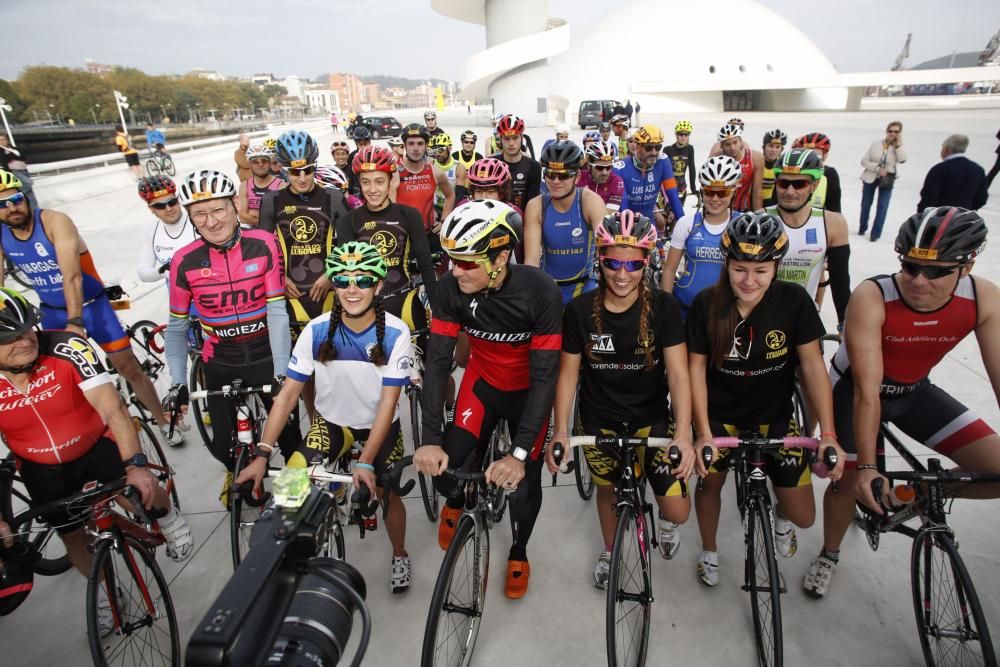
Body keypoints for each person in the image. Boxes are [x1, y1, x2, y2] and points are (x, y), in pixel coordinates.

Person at [804, 207, 1000, 599]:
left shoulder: (983, 297)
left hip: (914, 392)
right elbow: (866, 389)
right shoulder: (874, 295)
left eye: (936, 271)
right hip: (855, 392)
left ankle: (920, 493)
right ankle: (830, 553)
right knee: (846, 480)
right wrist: (868, 468)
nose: (919, 281)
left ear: (967, 265)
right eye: (910, 267)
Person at [0, 289, 193, 631]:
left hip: (93, 445)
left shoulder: (66, 347)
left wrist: (135, 465)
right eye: (11, 337)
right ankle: (108, 590)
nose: (27, 340)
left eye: (28, 328)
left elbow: (112, 407)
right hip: (40, 468)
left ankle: (169, 518)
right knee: (73, 538)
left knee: (140, 492)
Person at [236, 241, 415, 592]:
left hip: (379, 429)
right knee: (288, 487)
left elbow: (387, 405)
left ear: (378, 286)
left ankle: (399, 553)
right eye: (343, 280)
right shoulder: (317, 329)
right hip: (332, 425)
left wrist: (365, 461)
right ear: (332, 284)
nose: (352, 289)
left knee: (387, 495)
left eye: (363, 280)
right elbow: (287, 395)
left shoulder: (397, 333)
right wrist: (261, 454)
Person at [687, 212, 845, 587]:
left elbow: (813, 367)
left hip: (774, 415)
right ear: (727, 264)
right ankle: (709, 551)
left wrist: (829, 434)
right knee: (709, 483)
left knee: (804, 516)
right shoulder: (706, 304)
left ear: (777, 267)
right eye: (740, 268)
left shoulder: (794, 301)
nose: (749, 280)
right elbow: (694, 371)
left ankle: (781, 515)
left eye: (761, 270)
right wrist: (702, 431)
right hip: (720, 416)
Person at [414, 199, 562, 599]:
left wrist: (517, 454)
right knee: (447, 474)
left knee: (525, 484)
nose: (454, 271)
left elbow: (547, 377)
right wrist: (429, 436)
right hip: (481, 384)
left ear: (499, 257)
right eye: (450, 260)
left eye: (466, 262)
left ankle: (518, 550)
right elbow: (439, 363)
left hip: (528, 392)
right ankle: (460, 498)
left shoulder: (540, 291)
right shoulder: (450, 289)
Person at [547, 210, 694, 587]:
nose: (622, 273)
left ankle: (662, 517)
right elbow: (567, 375)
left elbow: (678, 374)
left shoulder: (664, 308)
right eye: (613, 262)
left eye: (633, 263)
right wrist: (560, 431)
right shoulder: (579, 311)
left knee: (678, 512)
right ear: (601, 259)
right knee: (607, 490)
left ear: (647, 262)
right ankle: (610, 549)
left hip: (651, 418)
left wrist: (684, 434)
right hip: (599, 420)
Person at [0, 169, 182, 445]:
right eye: (2, 203)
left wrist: (75, 323)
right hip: (51, 311)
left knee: (128, 367)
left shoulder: (53, 221)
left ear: (25, 197)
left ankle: (162, 419)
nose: (11, 207)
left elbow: (71, 275)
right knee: (64, 379)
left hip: (91, 307)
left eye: (15, 199)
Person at [164, 169, 298, 502]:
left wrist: (282, 371)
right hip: (219, 359)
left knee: (291, 438)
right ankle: (245, 483)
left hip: (265, 351)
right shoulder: (184, 260)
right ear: (191, 218)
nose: (210, 221)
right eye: (199, 214)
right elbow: (177, 327)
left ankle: (295, 505)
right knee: (223, 447)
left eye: (218, 209)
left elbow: (277, 311)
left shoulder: (262, 243)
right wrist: (177, 383)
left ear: (235, 205)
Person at [259, 130, 349, 343]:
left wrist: (331, 274)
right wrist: (280, 277)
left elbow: (350, 244)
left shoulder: (333, 197)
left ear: (314, 166)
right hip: (292, 294)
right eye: (294, 172)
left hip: (329, 292)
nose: (301, 178)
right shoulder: (272, 201)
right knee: (301, 370)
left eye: (307, 171)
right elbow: (263, 250)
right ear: (283, 170)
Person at [337, 145, 438, 324]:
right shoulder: (348, 221)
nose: (372, 189)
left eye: (379, 181)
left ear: (391, 180)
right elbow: (345, 272)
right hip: (365, 309)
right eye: (365, 182)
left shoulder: (409, 215)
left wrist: (438, 309)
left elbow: (425, 265)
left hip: (405, 303)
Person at [766, 149, 851, 329]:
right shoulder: (761, 219)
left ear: (814, 184)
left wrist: (844, 325)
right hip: (763, 317)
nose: (789, 191)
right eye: (783, 183)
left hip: (804, 317)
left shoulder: (834, 224)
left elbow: (840, 281)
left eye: (799, 184)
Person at [523, 141, 607, 304]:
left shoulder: (590, 201)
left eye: (563, 175)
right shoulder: (536, 206)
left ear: (577, 177)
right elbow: (532, 261)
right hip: (548, 287)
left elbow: (607, 250)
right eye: (550, 174)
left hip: (585, 286)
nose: (555, 181)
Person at [662, 156, 742, 318]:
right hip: (685, 308)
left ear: (734, 191)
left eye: (723, 193)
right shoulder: (687, 223)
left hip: (725, 312)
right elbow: (670, 270)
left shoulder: (742, 225)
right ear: (702, 191)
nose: (715, 199)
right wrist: (666, 310)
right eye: (709, 192)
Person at [396, 123, 455, 261]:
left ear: (426, 146)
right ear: (404, 146)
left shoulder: (435, 171)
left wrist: (443, 221)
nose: (416, 148)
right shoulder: (395, 173)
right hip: (403, 239)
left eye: (420, 143)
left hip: (429, 235)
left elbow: (450, 195)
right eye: (411, 143)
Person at [613, 125, 685, 231]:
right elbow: (624, 206)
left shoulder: (663, 161)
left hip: (649, 221)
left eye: (658, 147)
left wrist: (685, 226)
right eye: (648, 148)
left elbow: (673, 194)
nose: (654, 152)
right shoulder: (620, 169)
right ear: (637, 147)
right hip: (626, 223)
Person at [136, 176, 196, 285]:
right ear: (151, 209)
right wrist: (163, 271)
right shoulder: (150, 230)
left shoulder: (197, 222)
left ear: (178, 200)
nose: (169, 208)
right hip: (179, 297)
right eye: (160, 206)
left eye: (172, 202)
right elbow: (143, 273)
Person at [858, 121, 906, 242]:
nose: (892, 134)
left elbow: (903, 160)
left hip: (887, 180)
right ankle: (862, 227)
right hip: (871, 176)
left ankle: (875, 234)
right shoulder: (876, 144)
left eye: (896, 132)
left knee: (883, 206)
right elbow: (864, 161)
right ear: (886, 131)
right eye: (890, 131)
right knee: (866, 204)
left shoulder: (899, 147)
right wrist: (877, 168)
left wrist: (898, 146)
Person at [916, 134, 989, 212]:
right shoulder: (978, 169)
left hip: (939, 218)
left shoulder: (940, 169)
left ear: (947, 149)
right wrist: (967, 211)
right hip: (963, 218)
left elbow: (928, 197)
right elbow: (982, 198)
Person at [493, 114, 542, 213]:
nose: (511, 143)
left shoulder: (534, 167)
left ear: (522, 138)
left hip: (524, 220)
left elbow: (533, 204)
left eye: (515, 138)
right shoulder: (492, 164)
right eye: (507, 139)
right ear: (501, 139)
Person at [715, 123, 763, 212]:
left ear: (741, 141)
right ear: (721, 146)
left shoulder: (756, 158)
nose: (732, 147)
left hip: (745, 209)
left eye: (735, 142)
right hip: (722, 211)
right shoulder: (715, 159)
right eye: (727, 144)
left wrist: (758, 215)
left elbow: (757, 191)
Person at [237, 141, 284, 228]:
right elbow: (242, 217)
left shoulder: (281, 185)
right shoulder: (244, 186)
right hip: (255, 236)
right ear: (250, 164)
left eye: (264, 161)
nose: (260, 164)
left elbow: (283, 217)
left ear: (270, 163)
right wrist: (269, 219)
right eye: (255, 161)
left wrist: (252, 213)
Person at [793, 133, 841, 213]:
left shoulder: (829, 174)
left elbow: (835, 212)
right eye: (806, 153)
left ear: (825, 155)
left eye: (815, 153)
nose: (810, 157)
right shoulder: (791, 173)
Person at [579, 140, 626, 212]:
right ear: (588, 166)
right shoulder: (578, 177)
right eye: (599, 167)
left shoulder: (616, 181)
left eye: (609, 167)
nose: (605, 173)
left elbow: (608, 215)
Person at [0, 135, 38, 210]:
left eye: (3, 139)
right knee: (28, 183)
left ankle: (34, 208)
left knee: (30, 192)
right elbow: (4, 160)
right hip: (14, 172)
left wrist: (13, 155)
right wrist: (11, 155)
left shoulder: (13, 148)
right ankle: (20, 195)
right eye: (0, 140)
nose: (2, 141)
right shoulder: (1, 151)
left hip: (23, 171)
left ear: (7, 140)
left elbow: (22, 157)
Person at [663, 120, 697, 202]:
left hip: (681, 188)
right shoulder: (668, 149)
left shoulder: (690, 149)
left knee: (678, 214)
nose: (683, 137)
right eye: (681, 134)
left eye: (686, 134)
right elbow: (661, 171)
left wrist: (693, 188)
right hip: (667, 187)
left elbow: (692, 169)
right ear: (676, 135)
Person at [429, 133, 458, 220]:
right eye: (435, 150)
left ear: (449, 148)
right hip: (433, 208)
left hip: (452, 207)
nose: (438, 154)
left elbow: (459, 195)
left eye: (441, 150)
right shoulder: (431, 163)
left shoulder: (459, 167)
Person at [760, 129, 787, 206]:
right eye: (771, 146)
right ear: (763, 147)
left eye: (778, 147)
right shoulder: (756, 162)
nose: (774, 150)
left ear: (782, 149)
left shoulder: (783, 166)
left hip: (774, 206)